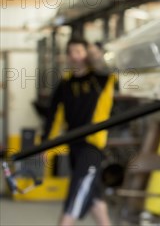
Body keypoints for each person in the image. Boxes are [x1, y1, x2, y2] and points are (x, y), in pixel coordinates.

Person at [42, 36, 115, 226]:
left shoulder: (102, 78)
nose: (75, 57)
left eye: (79, 51)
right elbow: (53, 116)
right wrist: (46, 146)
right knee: (95, 200)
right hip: (74, 146)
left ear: (87, 54)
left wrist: (92, 52)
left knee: (75, 197)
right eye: (71, 52)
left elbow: (106, 62)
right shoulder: (65, 84)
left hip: (93, 146)